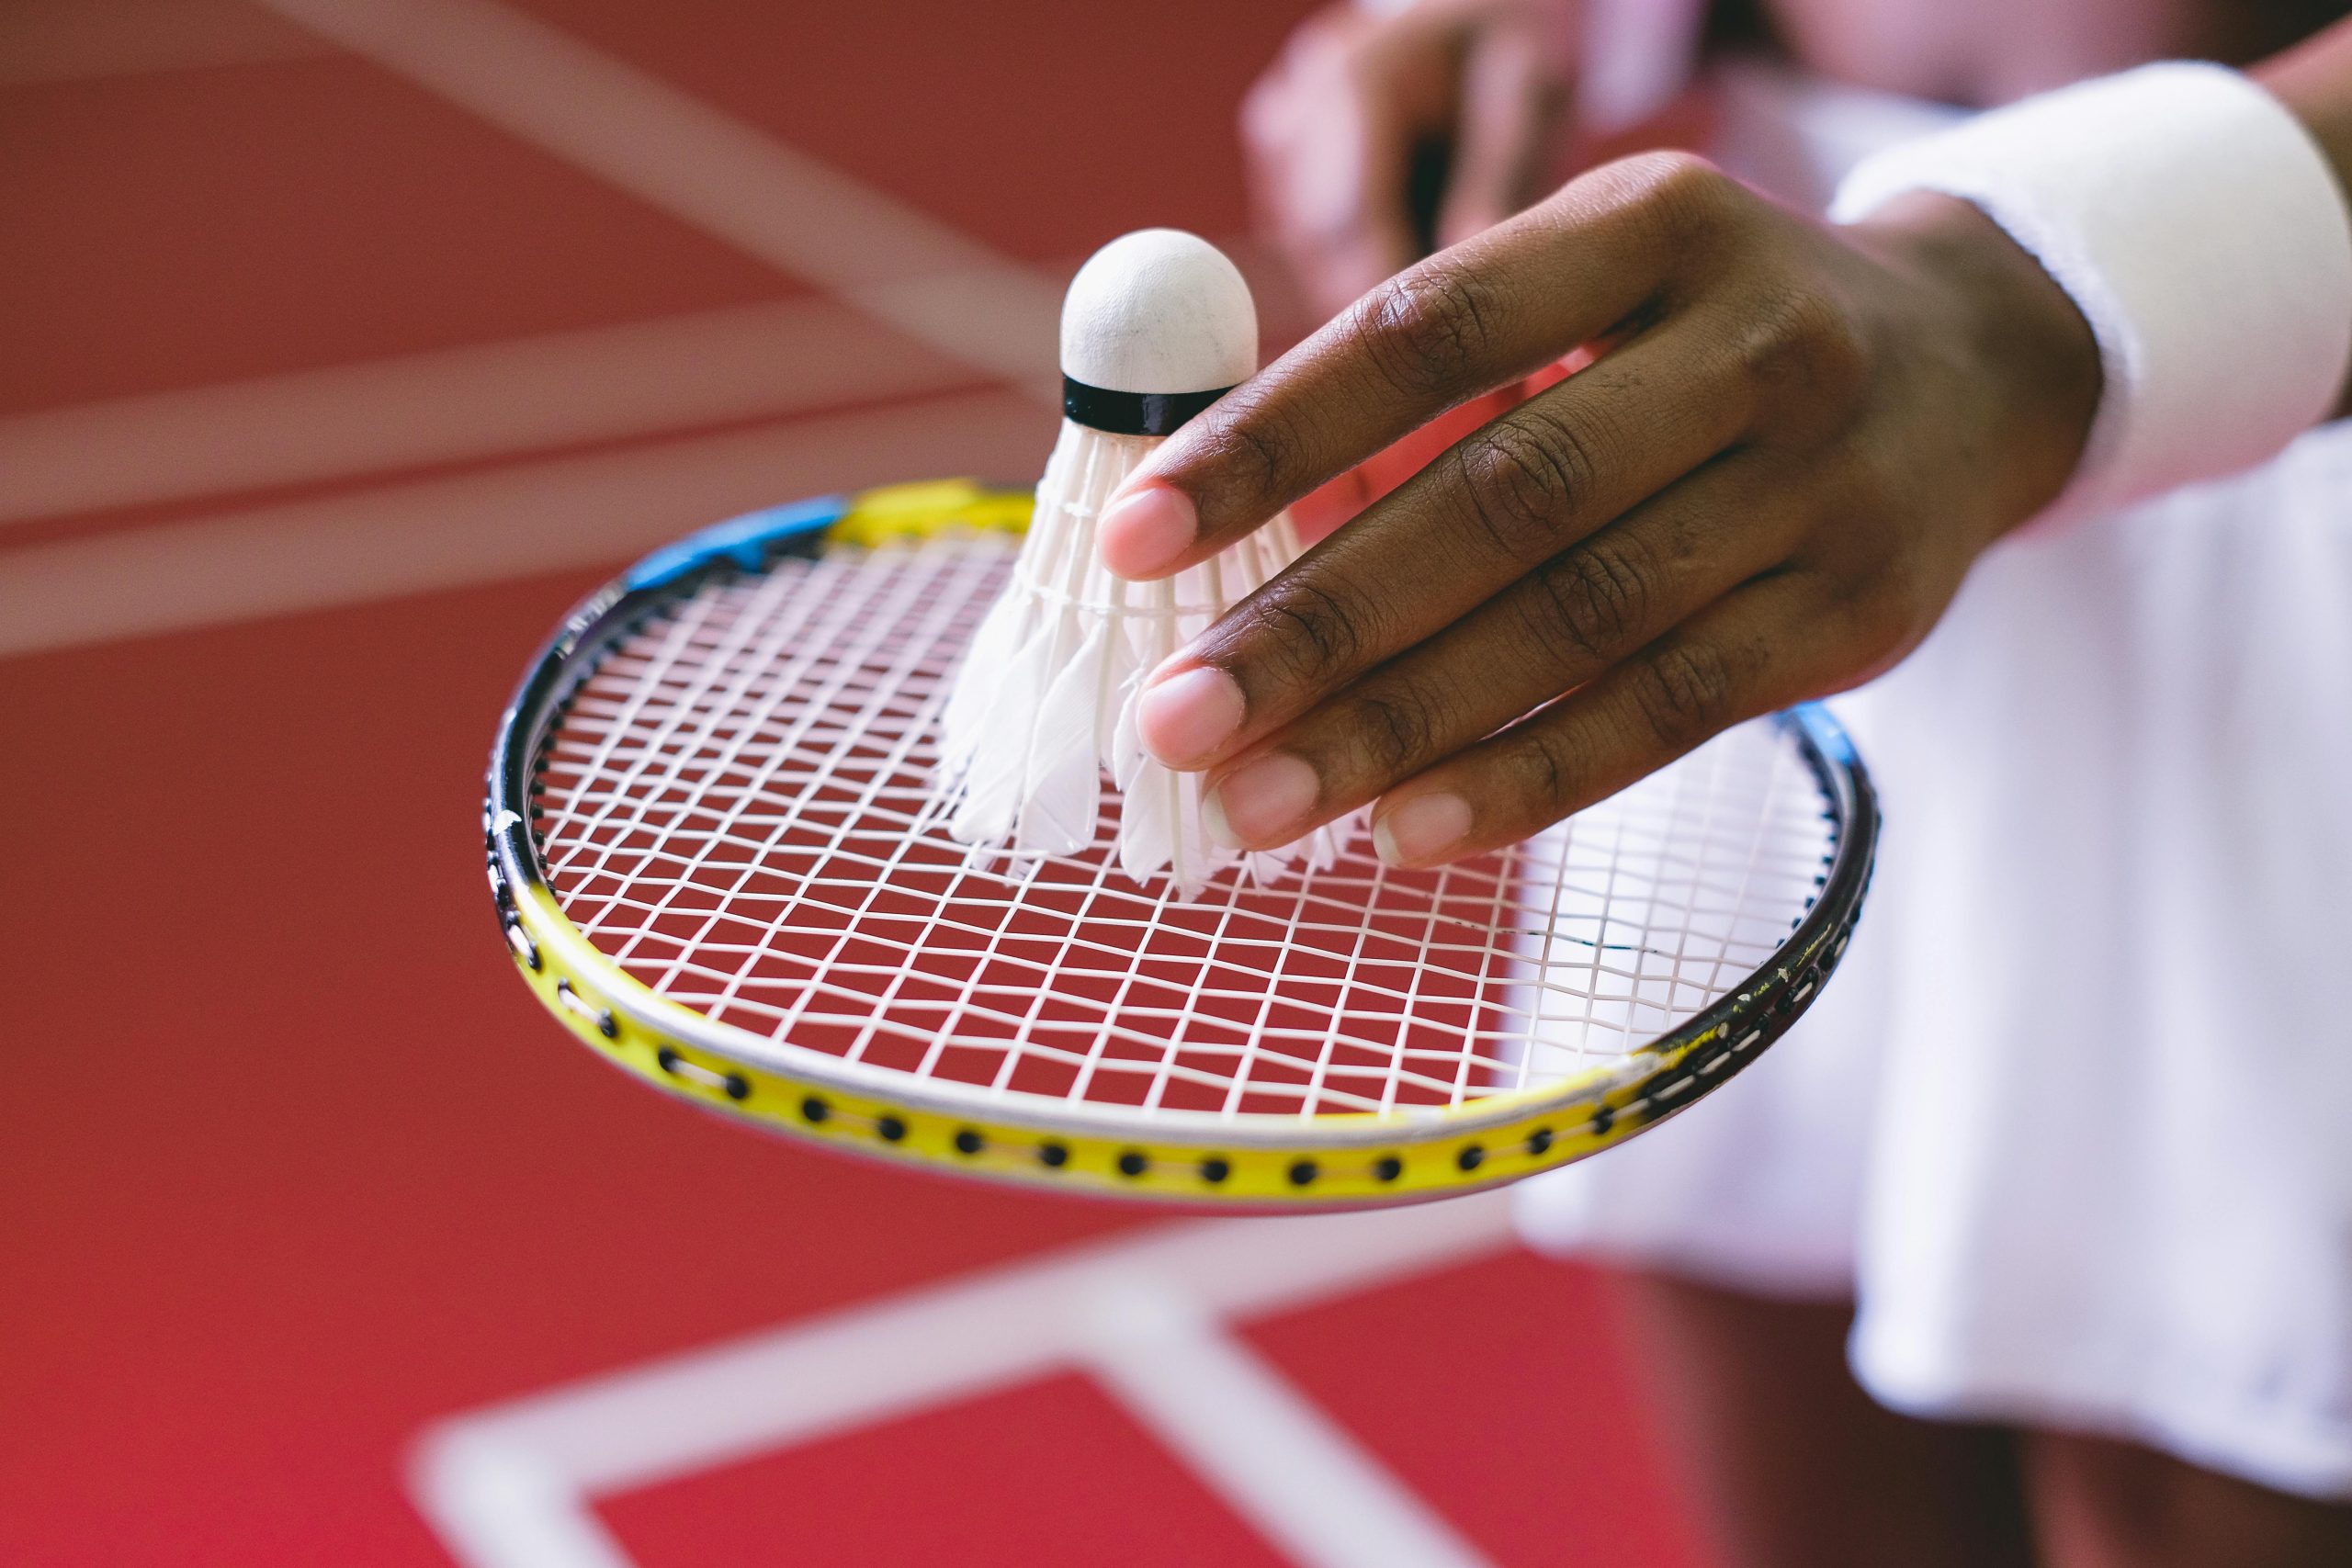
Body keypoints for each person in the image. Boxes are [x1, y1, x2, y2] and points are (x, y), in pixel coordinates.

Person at [1093, 2, 2352, 1563]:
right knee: (1798, 1440)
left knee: (2205, 1490)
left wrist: (2021, 298)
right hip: (1762, 415)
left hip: (2253, 394)